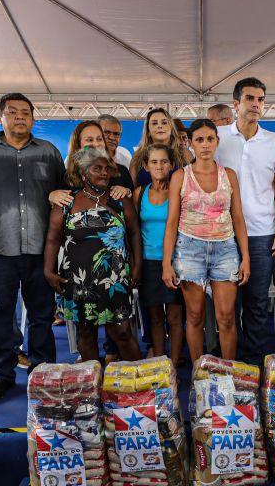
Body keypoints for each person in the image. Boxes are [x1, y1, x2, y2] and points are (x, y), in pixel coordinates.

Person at [0, 92, 64, 403]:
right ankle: (1, 374)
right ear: (0, 118)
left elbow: (62, 195)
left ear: (34, 119)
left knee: (41, 313)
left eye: (25, 112)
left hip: (39, 248)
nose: (19, 117)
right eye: (12, 112)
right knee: (0, 314)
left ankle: (42, 370)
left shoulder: (48, 152)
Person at [214, 77, 275, 366]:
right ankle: (228, 365)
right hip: (222, 234)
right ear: (236, 104)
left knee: (257, 304)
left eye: (260, 99)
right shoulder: (217, 138)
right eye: (250, 98)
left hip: (262, 234)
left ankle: (253, 365)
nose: (256, 104)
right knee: (226, 308)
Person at [44, 147, 142, 362]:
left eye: (107, 168)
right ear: (83, 173)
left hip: (114, 280)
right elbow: (53, 237)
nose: (105, 173)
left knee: (122, 333)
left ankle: (137, 384)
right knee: (86, 334)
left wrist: (136, 267)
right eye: (97, 168)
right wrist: (48, 270)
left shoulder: (120, 199)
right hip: (78, 280)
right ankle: (93, 387)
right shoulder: (67, 202)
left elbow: (134, 234)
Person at [163, 119, 250, 362]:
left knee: (227, 317)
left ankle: (229, 371)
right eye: (199, 140)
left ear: (217, 142)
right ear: (190, 143)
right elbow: (171, 222)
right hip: (189, 249)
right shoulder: (180, 176)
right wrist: (166, 264)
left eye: (210, 139)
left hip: (225, 249)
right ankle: (198, 372)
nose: (205, 145)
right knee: (195, 315)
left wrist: (246, 259)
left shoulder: (228, 175)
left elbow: (238, 218)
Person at [133, 144, 184, 366]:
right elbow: (133, 231)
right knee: (155, 319)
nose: (159, 166)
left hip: (174, 261)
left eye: (164, 161)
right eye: (154, 162)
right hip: (148, 262)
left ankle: (173, 365)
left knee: (174, 318)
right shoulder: (139, 193)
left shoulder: (178, 191)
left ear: (171, 165)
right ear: (146, 166)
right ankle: (161, 365)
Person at [130, 108, 188, 187]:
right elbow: (131, 188)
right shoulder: (138, 156)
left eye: (164, 123)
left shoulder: (184, 154)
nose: (160, 126)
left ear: (171, 128)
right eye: (154, 123)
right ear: (148, 130)